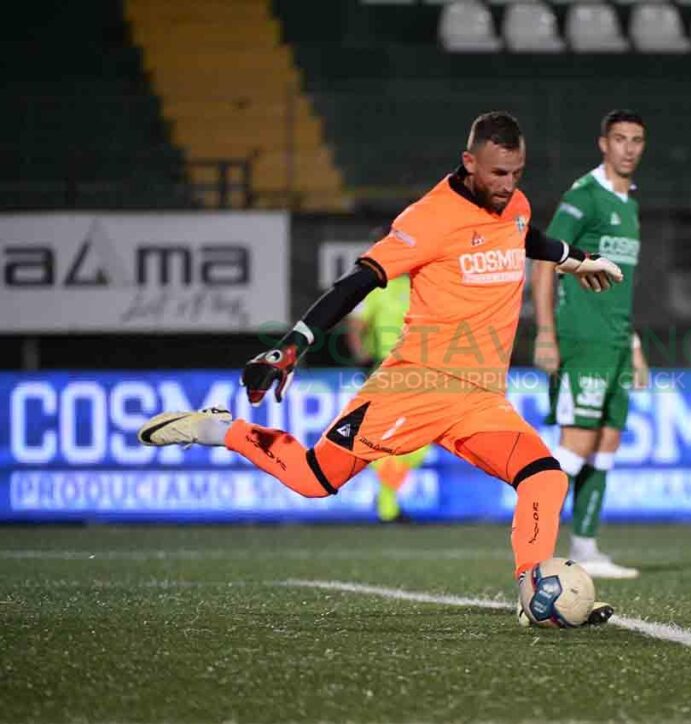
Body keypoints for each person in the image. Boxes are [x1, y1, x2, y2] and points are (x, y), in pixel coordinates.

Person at [137, 111, 623, 625]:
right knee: (313, 479)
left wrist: (575, 257)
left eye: (517, 173)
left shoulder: (514, 205)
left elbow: (524, 237)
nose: (508, 186)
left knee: (545, 478)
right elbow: (358, 281)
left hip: (480, 399)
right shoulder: (429, 218)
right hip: (414, 386)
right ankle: (221, 428)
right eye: (498, 174)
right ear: (468, 162)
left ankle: (531, 592)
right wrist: (292, 344)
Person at [531, 110, 647, 580]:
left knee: (606, 444)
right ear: (603, 143)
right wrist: (544, 332)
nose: (629, 148)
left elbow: (621, 285)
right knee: (575, 447)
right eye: (620, 139)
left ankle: (585, 548)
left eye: (637, 140)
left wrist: (634, 344)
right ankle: (533, 539)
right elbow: (543, 259)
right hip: (582, 339)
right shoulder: (585, 196)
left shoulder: (629, 203)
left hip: (617, 342)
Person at [345, 271, 429, 523]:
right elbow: (356, 325)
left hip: (421, 371)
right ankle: (387, 505)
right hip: (390, 370)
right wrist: (363, 357)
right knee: (398, 437)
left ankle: (386, 499)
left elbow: (355, 325)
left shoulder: (421, 283)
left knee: (419, 440)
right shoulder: (378, 286)